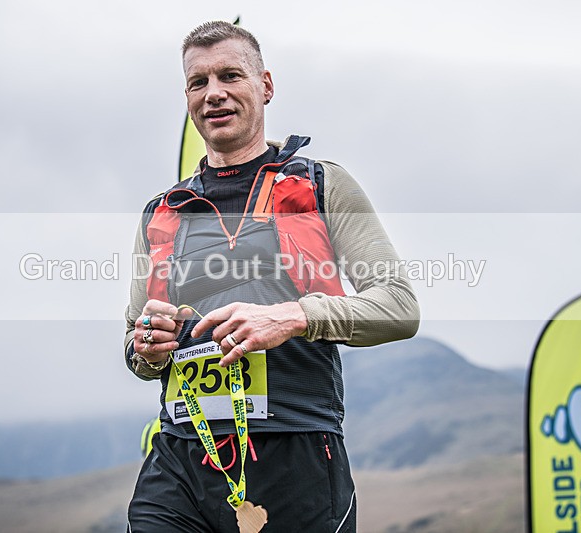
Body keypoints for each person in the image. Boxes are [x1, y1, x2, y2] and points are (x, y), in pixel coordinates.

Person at [123, 21, 420, 532]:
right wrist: (147, 349)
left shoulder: (320, 184)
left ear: (265, 86)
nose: (213, 93)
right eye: (198, 83)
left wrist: (294, 316)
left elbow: (398, 307)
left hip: (295, 454)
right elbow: (135, 346)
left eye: (230, 76)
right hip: (180, 460)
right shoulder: (162, 211)